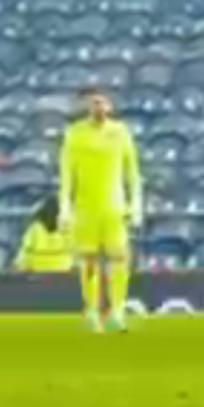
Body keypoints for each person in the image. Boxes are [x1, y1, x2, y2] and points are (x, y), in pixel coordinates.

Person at [58, 88, 142, 333]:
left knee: (119, 257)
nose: (98, 107)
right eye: (94, 102)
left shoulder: (120, 132)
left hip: (114, 207)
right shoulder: (74, 134)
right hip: (86, 208)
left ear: (110, 106)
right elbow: (66, 175)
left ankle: (117, 310)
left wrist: (135, 205)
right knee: (89, 261)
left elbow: (132, 173)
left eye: (103, 102)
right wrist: (64, 208)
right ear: (87, 105)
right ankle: (93, 311)